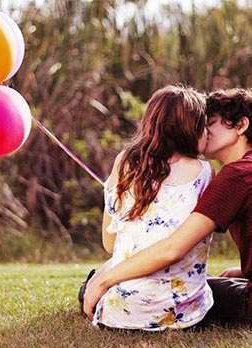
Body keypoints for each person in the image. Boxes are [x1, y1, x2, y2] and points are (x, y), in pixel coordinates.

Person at [83, 88, 252, 329]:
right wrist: (245, 273)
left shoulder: (237, 175)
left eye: (209, 124)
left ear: (241, 126)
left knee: (182, 287)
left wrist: (104, 280)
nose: (203, 132)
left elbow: (173, 249)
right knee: (209, 280)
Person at [79, 84, 215, 331]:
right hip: (186, 312)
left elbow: (110, 245)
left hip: (126, 311)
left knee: (90, 284)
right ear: (191, 128)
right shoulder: (205, 172)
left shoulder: (125, 162)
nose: (208, 133)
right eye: (204, 125)